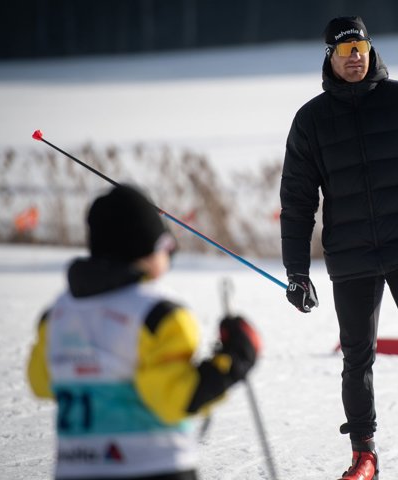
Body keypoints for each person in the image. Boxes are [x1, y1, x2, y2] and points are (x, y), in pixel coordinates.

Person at [279, 15, 398, 480]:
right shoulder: (311, 120)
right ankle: (363, 454)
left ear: (372, 50)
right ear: (329, 57)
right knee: (356, 358)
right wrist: (296, 271)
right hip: (351, 257)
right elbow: (297, 201)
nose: (355, 58)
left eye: (361, 49)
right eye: (346, 51)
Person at [26, 184, 262, 480]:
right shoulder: (159, 315)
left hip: (75, 470)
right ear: (145, 252)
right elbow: (175, 399)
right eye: (165, 246)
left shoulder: (56, 316)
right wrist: (234, 358)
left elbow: (40, 382)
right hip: (153, 469)